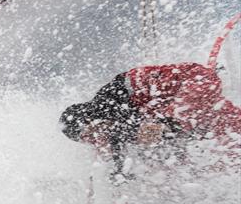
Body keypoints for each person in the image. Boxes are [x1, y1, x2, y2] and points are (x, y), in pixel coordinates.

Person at [60, 62, 241, 181]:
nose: (96, 139)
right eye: (89, 140)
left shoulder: (107, 103)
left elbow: (126, 135)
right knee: (233, 134)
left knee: (164, 134)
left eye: (90, 134)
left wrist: (119, 170)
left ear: (89, 119)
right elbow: (127, 137)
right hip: (197, 95)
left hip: (195, 85)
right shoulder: (112, 114)